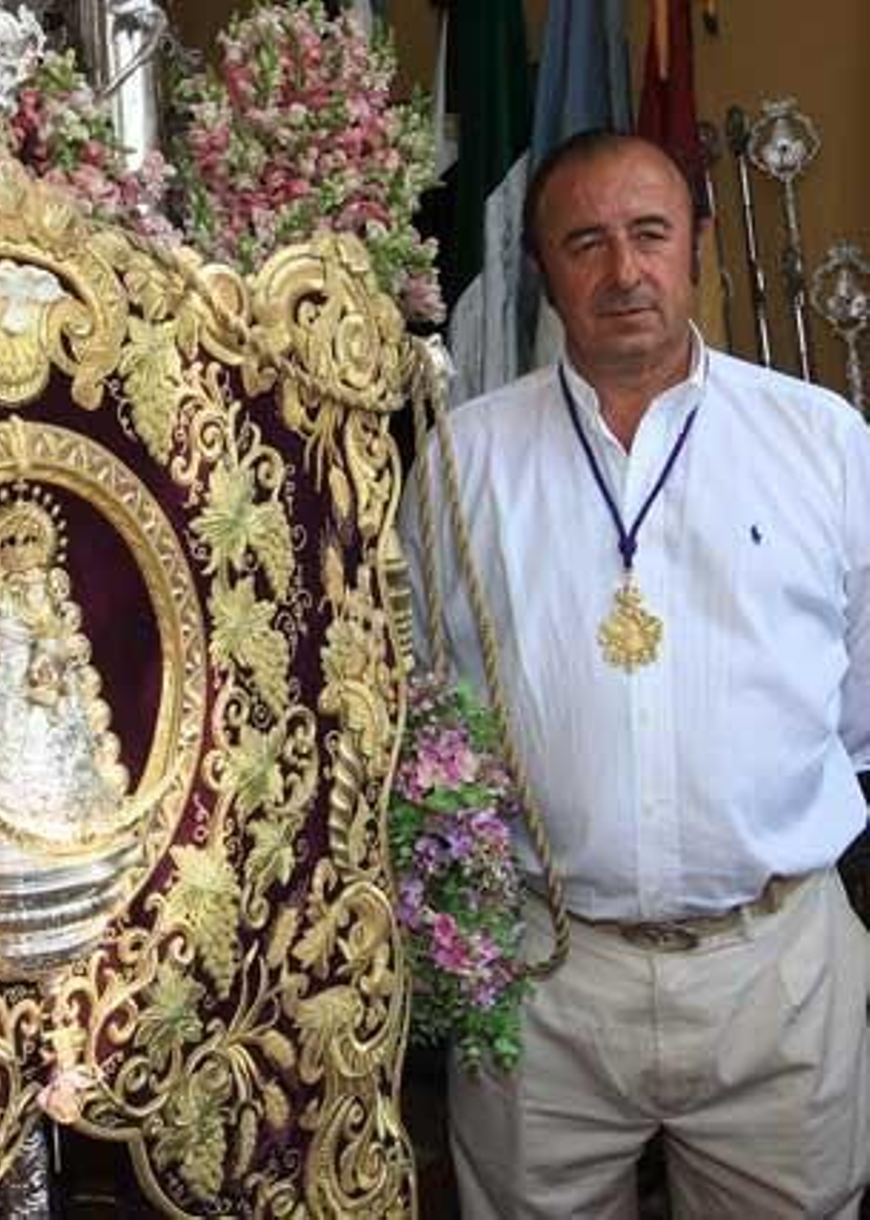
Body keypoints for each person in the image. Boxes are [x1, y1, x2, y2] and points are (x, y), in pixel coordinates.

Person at [401, 129, 870, 1218]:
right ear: (543, 270)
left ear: (696, 245)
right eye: (586, 242)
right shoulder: (462, 460)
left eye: (650, 233)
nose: (623, 271)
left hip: (775, 973)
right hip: (543, 973)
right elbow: (426, 696)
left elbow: (858, 710)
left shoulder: (822, 442)